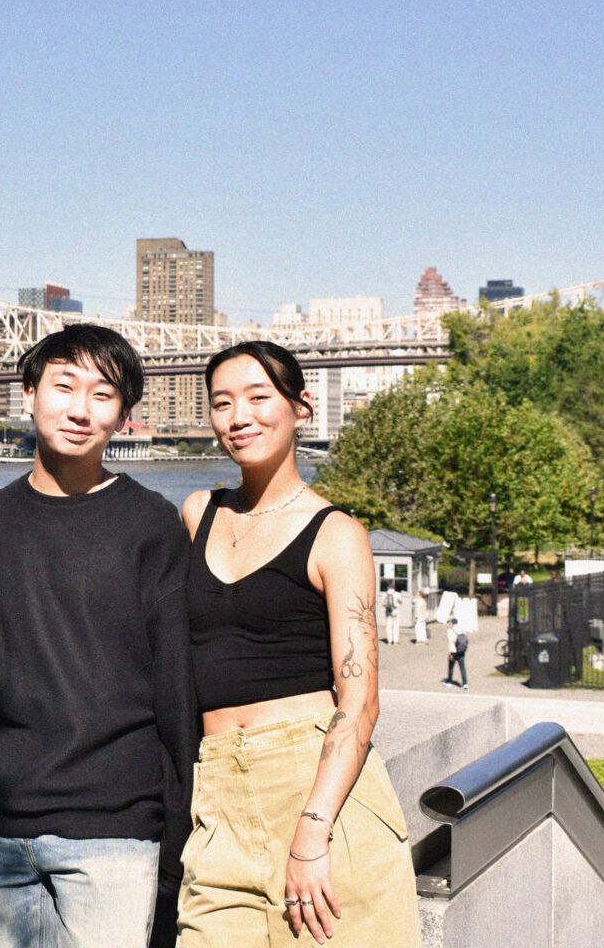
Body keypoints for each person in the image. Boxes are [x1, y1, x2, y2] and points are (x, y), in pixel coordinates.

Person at [0, 324, 196, 948]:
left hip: (115, 834)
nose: (80, 409)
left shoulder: (152, 526)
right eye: (64, 386)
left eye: (103, 395)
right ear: (28, 394)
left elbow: (176, 696)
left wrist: (175, 848)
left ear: (124, 415)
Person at [178, 341, 420, 948]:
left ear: (300, 408)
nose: (239, 417)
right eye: (222, 403)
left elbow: (359, 698)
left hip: (318, 790)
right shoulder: (197, 511)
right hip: (218, 796)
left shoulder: (336, 534)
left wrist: (313, 829)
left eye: (260, 398)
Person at [443, 617, 469, 689]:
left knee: (451, 667)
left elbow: (450, 642)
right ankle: (465, 683)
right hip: (461, 650)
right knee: (462, 667)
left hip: (454, 651)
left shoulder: (450, 630)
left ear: (451, 623)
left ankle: (449, 681)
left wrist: (450, 652)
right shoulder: (462, 629)